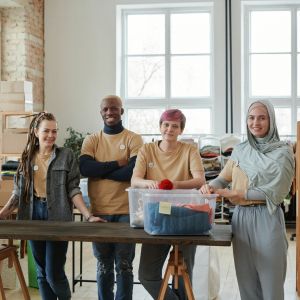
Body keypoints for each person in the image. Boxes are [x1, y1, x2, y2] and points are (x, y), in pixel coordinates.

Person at [0, 112, 103, 300]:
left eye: (54, 131)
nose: (51, 135)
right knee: (41, 273)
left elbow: (73, 189)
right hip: (32, 216)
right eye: (46, 130)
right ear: (35, 131)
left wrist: (88, 215)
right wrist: (3, 212)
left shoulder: (66, 155)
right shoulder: (26, 157)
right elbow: (18, 191)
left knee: (54, 273)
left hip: (58, 216)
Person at [200, 100, 295, 300]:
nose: (255, 123)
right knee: (247, 283)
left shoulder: (283, 152)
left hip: (267, 218)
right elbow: (223, 178)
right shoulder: (241, 149)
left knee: (271, 285)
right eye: (251, 118)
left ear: (271, 120)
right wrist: (211, 186)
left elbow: (279, 192)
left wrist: (239, 195)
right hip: (240, 219)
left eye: (262, 118)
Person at [131, 109, 206, 300]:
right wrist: (151, 184)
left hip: (186, 216)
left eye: (175, 126)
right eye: (166, 124)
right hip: (156, 216)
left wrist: (174, 185)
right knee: (147, 275)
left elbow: (199, 180)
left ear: (181, 130)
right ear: (159, 126)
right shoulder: (146, 150)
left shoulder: (190, 150)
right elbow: (135, 180)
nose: (169, 129)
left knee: (184, 276)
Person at [79, 95, 143, 300]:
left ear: (121, 111)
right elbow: (84, 167)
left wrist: (100, 170)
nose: (109, 113)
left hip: (126, 211)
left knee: (124, 265)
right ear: (100, 112)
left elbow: (131, 174)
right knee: (103, 264)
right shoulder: (92, 139)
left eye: (114, 109)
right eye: (105, 109)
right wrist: (117, 163)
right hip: (99, 212)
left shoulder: (133, 139)